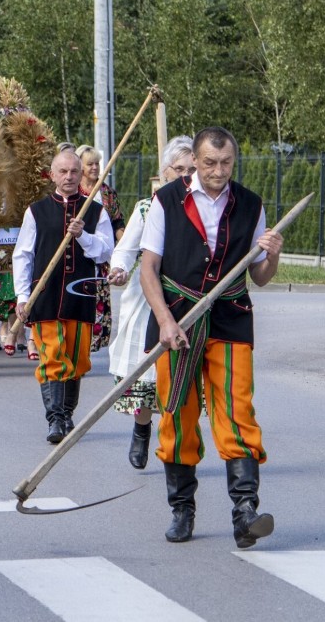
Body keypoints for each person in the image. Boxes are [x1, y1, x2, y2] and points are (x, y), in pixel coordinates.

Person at [140, 126, 282, 546]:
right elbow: (148, 269)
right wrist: (165, 321)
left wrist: (272, 255)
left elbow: (259, 277)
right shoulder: (166, 202)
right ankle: (182, 510)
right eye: (209, 163)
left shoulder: (250, 204)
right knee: (178, 415)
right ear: (195, 161)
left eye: (226, 163)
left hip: (230, 318)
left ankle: (245, 513)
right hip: (177, 320)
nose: (219, 171)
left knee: (238, 412)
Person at [13, 150, 114, 442]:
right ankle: (55, 420)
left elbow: (105, 251)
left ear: (80, 173)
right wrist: (22, 296)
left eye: (74, 171)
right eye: (63, 172)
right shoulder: (37, 211)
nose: (69, 177)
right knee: (53, 357)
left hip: (80, 295)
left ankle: (67, 414)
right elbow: (23, 255)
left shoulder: (95, 211)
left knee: (78, 359)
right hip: (45, 295)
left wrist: (83, 235)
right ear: (52, 175)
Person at [108, 135, 195, 469]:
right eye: (179, 169)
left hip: (189, 300)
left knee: (181, 377)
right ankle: (141, 430)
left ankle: (176, 445)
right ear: (166, 172)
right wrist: (118, 269)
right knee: (146, 375)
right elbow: (127, 249)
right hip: (151, 299)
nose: (186, 175)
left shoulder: (204, 207)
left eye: (192, 169)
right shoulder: (148, 207)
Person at [75, 144, 126, 353]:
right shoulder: (74, 190)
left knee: (97, 299)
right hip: (77, 252)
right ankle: (77, 344)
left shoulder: (106, 192)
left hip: (101, 254)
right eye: (90, 164)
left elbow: (117, 222)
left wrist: (123, 248)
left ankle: (90, 347)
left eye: (97, 163)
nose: (95, 168)